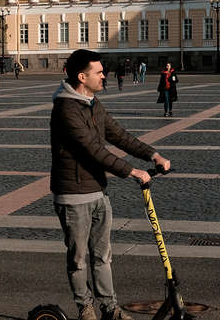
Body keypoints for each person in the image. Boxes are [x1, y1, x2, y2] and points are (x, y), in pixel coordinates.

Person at [50, 49, 171, 320]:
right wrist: (132, 171)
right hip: (73, 196)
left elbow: (118, 135)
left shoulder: (92, 103)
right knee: (79, 260)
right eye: (99, 72)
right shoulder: (66, 110)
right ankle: (86, 309)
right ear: (82, 77)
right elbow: (93, 150)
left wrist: (153, 155)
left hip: (98, 193)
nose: (104, 75)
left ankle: (109, 308)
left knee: (103, 257)